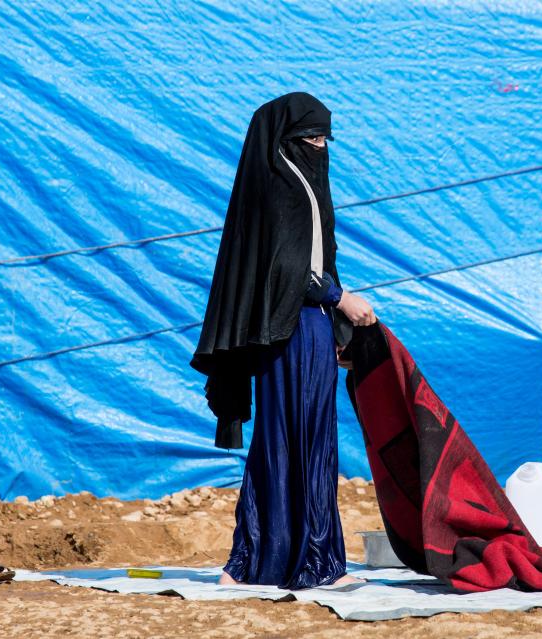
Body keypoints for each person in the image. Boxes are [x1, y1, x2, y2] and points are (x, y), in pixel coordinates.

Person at [190, 92, 376, 589]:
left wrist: (334, 330)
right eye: (312, 138)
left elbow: (312, 258)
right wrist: (342, 300)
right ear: (288, 141)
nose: (320, 147)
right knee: (306, 441)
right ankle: (313, 562)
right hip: (292, 330)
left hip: (302, 329)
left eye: (323, 138)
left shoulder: (290, 182)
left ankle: (251, 563)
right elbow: (291, 269)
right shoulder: (283, 186)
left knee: (281, 440)